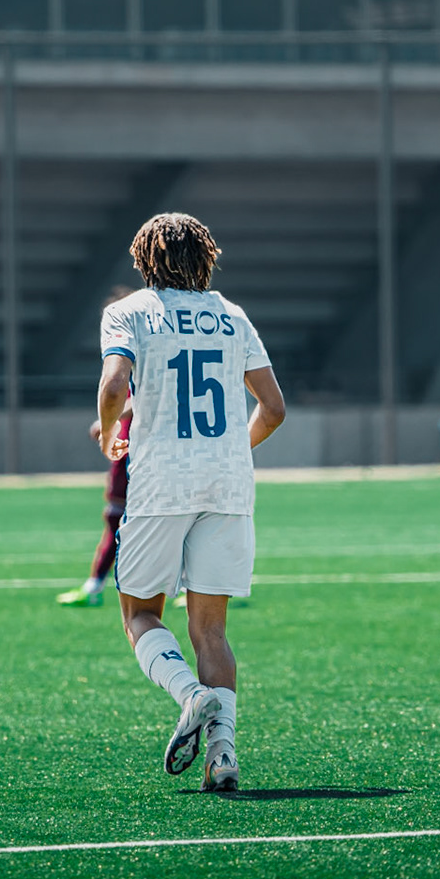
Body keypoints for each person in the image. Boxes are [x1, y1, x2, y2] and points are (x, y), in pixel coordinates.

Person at [95, 212, 286, 793]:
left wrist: (108, 436)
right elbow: (274, 409)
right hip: (228, 485)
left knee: (139, 614)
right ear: (206, 258)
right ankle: (223, 756)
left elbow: (112, 386)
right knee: (211, 631)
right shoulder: (233, 315)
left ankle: (191, 695)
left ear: (144, 259)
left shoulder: (128, 312)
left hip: (161, 485)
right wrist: (230, 449)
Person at [59, 287, 139, 608]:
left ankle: (95, 587)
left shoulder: (134, 347)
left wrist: (108, 422)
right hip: (143, 443)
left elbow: (129, 391)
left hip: (135, 444)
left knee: (117, 517)